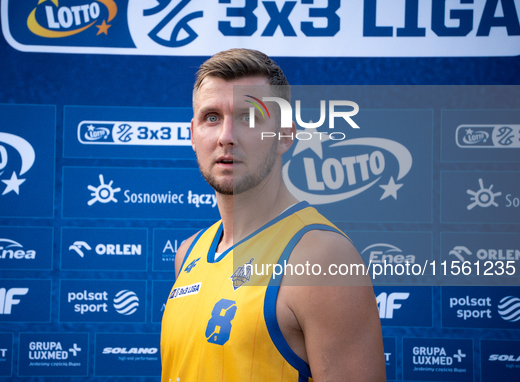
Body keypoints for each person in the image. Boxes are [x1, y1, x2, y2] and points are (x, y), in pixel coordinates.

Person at [160, 49, 385, 382]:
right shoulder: (189, 252)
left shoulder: (321, 258)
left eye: (248, 118)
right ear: (193, 134)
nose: (226, 137)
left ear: (285, 135)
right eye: (212, 117)